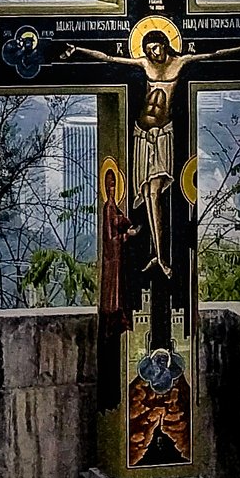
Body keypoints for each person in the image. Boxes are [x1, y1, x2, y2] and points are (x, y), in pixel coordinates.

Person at [62, 29, 240, 278]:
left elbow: (212, 54)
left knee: (155, 194)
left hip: (162, 137)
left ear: (165, 45)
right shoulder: (144, 63)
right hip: (140, 135)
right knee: (147, 193)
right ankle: (155, 254)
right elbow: (109, 59)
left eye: (156, 48)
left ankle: (162, 257)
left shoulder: (179, 62)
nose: (153, 53)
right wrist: (78, 50)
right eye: (148, 50)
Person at [97, 165, 138, 411]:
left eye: (114, 184)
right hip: (114, 269)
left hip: (120, 269)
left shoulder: (114, 206)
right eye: (109, 184)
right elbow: (110, 239)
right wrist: (127, 235)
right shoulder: (108, 208)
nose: (112, 188)